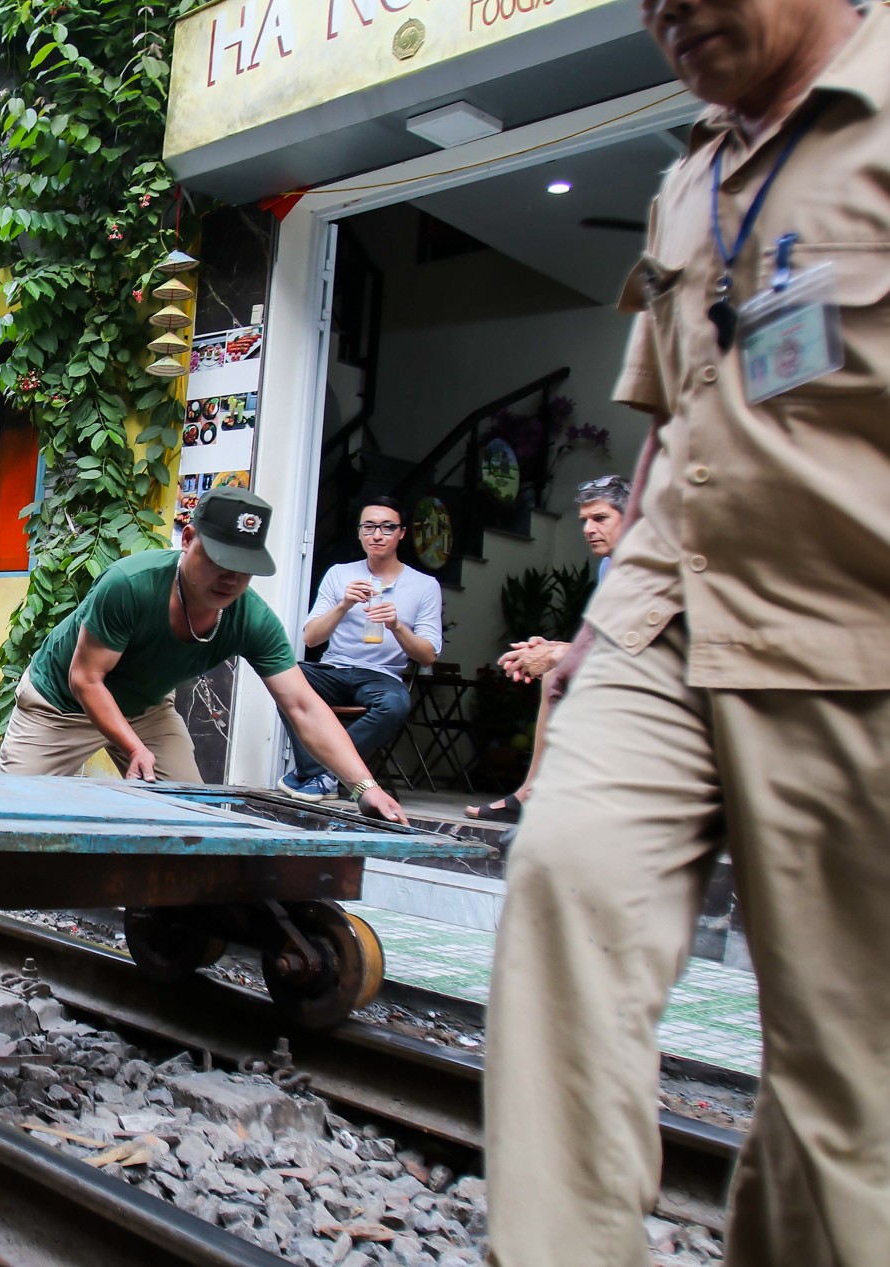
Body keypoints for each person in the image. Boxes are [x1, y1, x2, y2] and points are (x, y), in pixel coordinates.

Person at [485, 0, 889, 1261]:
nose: (668, 12)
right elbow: (667, 416)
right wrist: (604, 622)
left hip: (851, 633)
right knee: (564, 882)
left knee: (842, 1069)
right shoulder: (689, 179)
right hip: (665, 619)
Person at [0, 487, 410, 955]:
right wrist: (132, 746)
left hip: (144, 707)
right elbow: (86, 679)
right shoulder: (131, 583)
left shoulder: (250, 618)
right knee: (6, 825)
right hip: (59, 706)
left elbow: (304, 707)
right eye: (219, 559)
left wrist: (363, 788)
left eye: (243, 568)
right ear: (188, 539)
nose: (229, 578)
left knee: (192, 815)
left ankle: (179, 927)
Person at [464, 474, 630, 821]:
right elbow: (608, 638)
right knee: (555, 671)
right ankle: (535, 792)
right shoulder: (610, 565)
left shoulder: (646, 568)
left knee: (557, 670)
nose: (588, 529)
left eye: (600, 518)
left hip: (667, 680)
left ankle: (540, 794)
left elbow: (636, 647)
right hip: (627, 667)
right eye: (584, 520)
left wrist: (557, 655)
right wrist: (551, 647)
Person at [277, 498, 442, 801]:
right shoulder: (339, 574)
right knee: (286, 678)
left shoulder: (424, 585)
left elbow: (428, 655)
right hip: (334, 669)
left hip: (382, 676)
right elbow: (311, 639)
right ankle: (323, 774)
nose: (377, 535)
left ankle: (319, 773)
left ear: (402, 533)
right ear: (359, 533)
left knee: (396, 706)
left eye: (387, 527)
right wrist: (344, 604)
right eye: (369, 527)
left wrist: (397, 626)